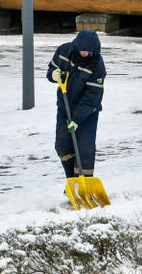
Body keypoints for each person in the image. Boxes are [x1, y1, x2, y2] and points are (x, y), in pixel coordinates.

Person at [46, 30, 105, 179]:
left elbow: (91, 97)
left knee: (84, 150)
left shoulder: (97, 65)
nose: (84, 53)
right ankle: (72, 180)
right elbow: (52, 69)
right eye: (82, 50)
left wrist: (77, 119)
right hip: (64, 108)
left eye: (88, 51)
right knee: (62, 146)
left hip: (87, 113)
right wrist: (53, 74)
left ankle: (85, 182)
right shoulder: (64, 51)